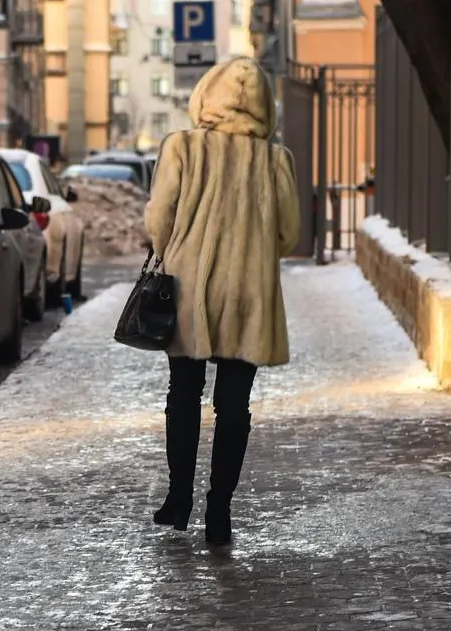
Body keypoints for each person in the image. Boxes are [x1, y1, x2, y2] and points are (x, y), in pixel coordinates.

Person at [142, 57, 299, 547]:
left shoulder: (182, 147)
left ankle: (178, 499)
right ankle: (220, 511)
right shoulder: (274, 160)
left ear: (207, 96)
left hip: (189, 288)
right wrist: (251, 248)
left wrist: (173, 251)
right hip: (248, 294)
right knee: (234, 406)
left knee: (183, 394)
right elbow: (289, 234)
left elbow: (158, 219)